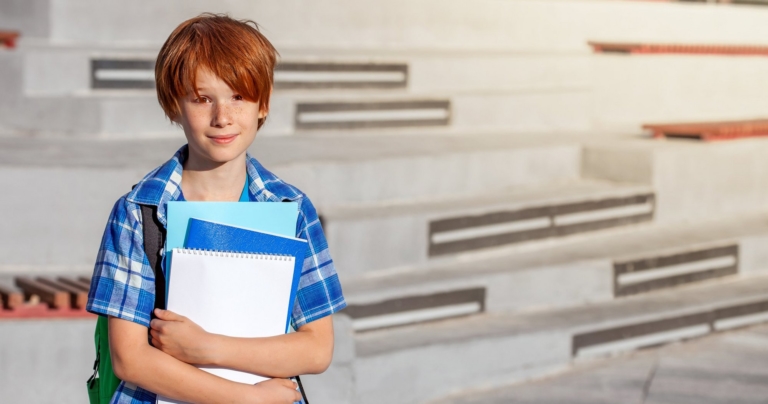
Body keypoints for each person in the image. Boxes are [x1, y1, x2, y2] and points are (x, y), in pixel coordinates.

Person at [86, 13, 346, 404]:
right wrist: (248, 398)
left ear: (263, 104)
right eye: (202, 98)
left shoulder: (291, 208)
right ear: (174, 106)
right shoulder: (139, 213)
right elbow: (129, 358)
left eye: (238, 96)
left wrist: (208, 348)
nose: (222, 117)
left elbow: (317, 349)